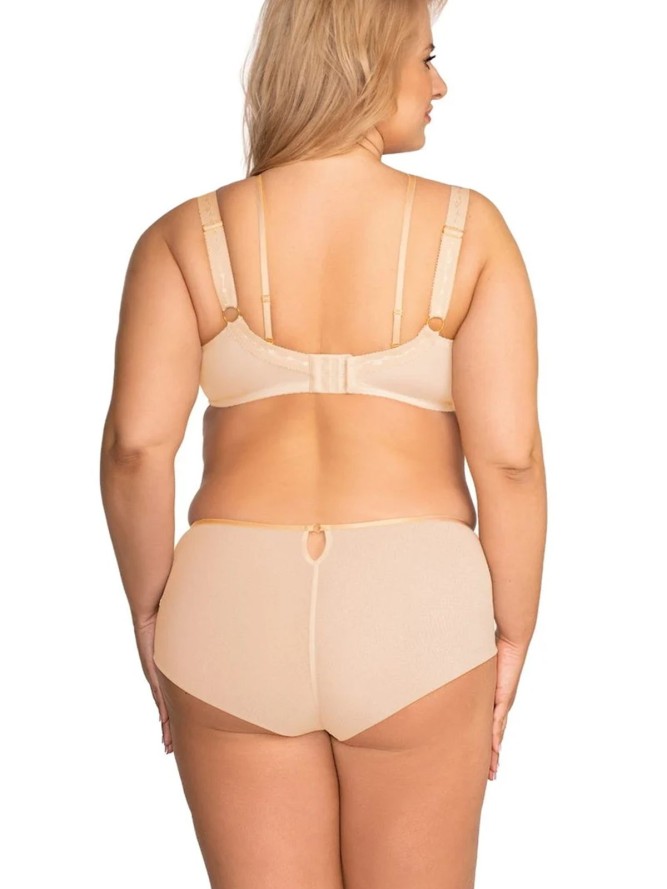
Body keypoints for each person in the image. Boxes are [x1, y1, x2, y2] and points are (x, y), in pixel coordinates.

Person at [100, 0, 547, 885]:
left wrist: (150, 613)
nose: (438, 85)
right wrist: (514, 633)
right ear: (364, 65)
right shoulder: (470, 233)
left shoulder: (182, 238)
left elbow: (136, 448)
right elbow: (510, 460)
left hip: (230, 604)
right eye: (424, 58)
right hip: (413, 607)